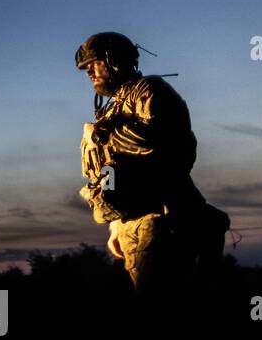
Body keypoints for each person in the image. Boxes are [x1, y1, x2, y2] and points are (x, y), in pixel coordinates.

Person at [75, 32, 229, 299]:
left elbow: (161, 141)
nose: (89, 70)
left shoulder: (150, 90)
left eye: (95, 62)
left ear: (115, 61)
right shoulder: (112, 110)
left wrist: (105, 134)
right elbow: (107, 170)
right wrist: (115, 226)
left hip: (161, 219)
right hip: (129, 224)